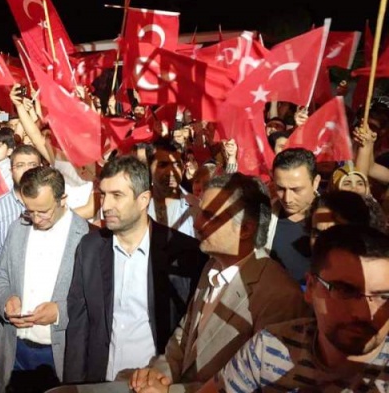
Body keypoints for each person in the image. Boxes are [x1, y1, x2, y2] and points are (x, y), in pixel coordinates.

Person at [129, 173, 311, 392]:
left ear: (245, 229)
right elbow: (184, 336)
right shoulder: (211, 265)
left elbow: (258, 385)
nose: (197, 223)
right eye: (200, 212)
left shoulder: (279, 295)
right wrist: (160, 375)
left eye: (210, 216)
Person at [64, 156, 207, 383]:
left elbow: (189, 332)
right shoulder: (89, 248)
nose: (106, 205)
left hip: (156, 385)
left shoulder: (183, 254)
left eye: (117, 196)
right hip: (101, 383)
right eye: (103, 194)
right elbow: (78, 327)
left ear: (143, 200)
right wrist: (74, 387)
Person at [198, 225, 389, 392]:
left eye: (383, 296)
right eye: (344, 290)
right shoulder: (270, 346)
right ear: (311, 288)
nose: (365, 313)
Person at [0, 166, 90, 392]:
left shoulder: (85, 237)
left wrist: (59, 312)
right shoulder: (18, 227)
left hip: (58, 354)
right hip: (15, 349)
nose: (35, 218)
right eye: (29, 210)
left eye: (43, 211)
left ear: (62, 199)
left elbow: (92, 301)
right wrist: (6, 300)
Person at [0, 145, 42, 272]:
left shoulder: (54, 206)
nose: (27, 170)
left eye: (32, 165)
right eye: (20, 165)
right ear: (11, 171)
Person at [265, 148, 319, 284]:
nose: (287, 199)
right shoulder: (263, 216)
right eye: (280, 189)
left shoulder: (333, 219)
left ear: (316, 182)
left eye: (296, 190)